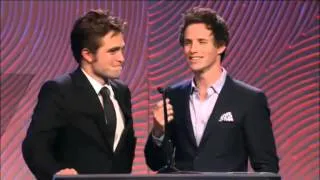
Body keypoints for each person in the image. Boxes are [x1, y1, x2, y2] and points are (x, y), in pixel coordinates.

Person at [144, 7, 279, 173]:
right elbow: (155, 163)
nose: (193, 50)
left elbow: (267, 168)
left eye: (202, 42)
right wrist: (158, 131)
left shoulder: (249, 99)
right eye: (188, 43)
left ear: (221, 46)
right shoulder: (173, 95)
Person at [22, 9, 136, 179]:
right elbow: (34, 146)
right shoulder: (59, 91)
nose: (122, 58)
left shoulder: (122, 92)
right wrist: (56, 174)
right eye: (113, 51)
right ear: (88, 54)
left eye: (121, 50)